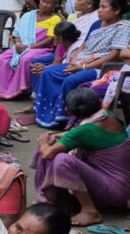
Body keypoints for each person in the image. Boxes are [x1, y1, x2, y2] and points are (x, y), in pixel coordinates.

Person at [33, 88, 130, 226]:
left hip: (113, 191)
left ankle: (90, 211)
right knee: (59, 147)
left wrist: (43, 143)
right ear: (99, 102)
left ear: (68, 111)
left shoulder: (84, 131)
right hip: (122, 190)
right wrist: (59, 137)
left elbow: (47, 154)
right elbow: (77, 134)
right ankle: (64, 200)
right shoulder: (108, 116)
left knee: (61, 159)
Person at [34, 0, 130, 128]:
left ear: (117, 10)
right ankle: (47, 115)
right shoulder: (97, 23)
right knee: (48, 72)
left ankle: (64, 119)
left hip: (98, 68)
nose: (99, 10)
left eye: (103, 7)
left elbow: (114, 55)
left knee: (71, 80)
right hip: (81, 62)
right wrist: (72, 62)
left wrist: (83, 67)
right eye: (99, 7)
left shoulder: (124, 27)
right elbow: (83, 46)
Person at [0, 0, 63, 99]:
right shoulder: (28, 15)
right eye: (43, 1)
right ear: (39, 1)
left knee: (26, 59)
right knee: (0, 59)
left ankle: (19, 90)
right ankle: (1, 90)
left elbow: (50, 39)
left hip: (41, 48)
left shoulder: (56, 19)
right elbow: (17, 33)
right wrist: (18, 44)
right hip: (21, 46)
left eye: (49, 3)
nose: (45, 4)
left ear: (54, 6)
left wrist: (29, 47)